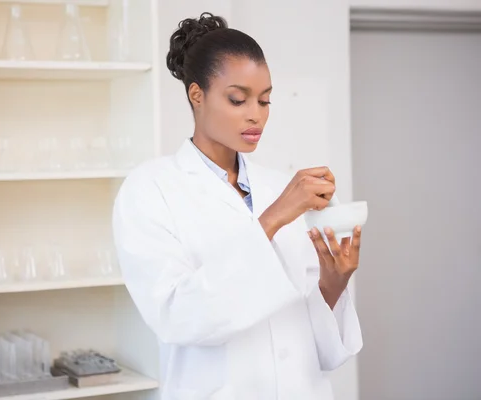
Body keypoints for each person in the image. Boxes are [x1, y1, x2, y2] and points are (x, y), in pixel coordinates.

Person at [112, 12, 363, 400]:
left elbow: (322, 348)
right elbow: (178, 317)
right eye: (238, 99)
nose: (256, 115)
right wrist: (273, 218)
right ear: (197, 95)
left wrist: (333, 284)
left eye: (265, 100)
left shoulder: (280, 186)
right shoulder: (150, 190)